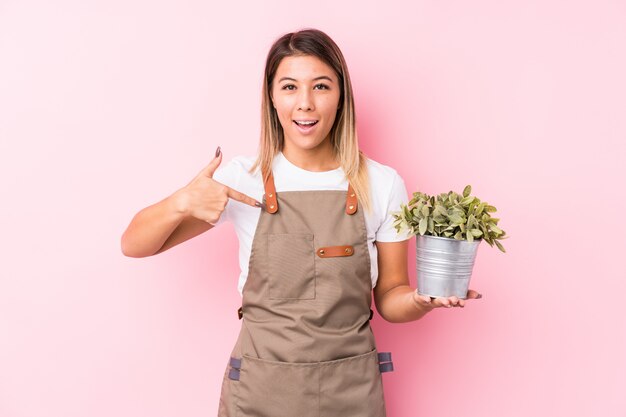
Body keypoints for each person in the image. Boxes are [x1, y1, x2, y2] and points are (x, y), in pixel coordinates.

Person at [121, 28, 481, 417]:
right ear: (272, 97)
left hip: (352, 393)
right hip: (260, 392)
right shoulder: (243, 179)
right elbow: (135, 244)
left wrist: (420, 300)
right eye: (290, 87)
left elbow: (391, 296)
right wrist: (180, 202)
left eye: (321, 87)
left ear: (341, 96)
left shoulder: (382, 183)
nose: (305, 104)